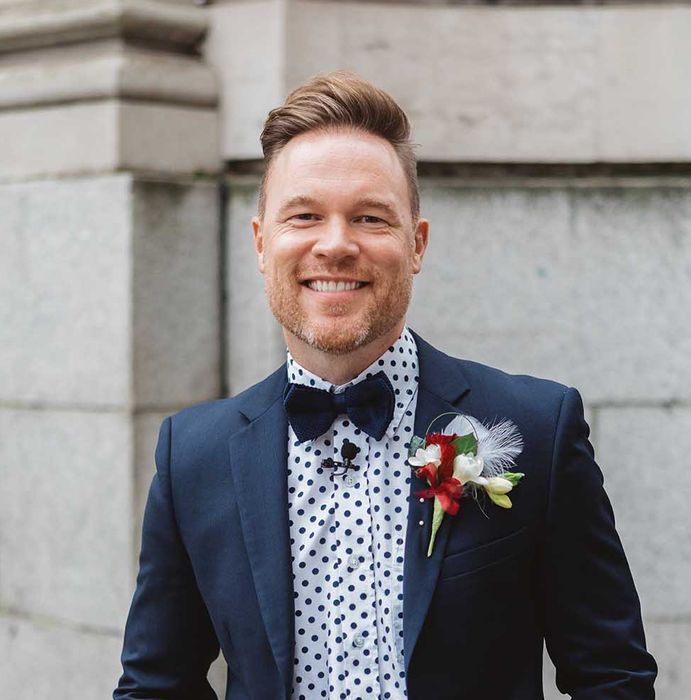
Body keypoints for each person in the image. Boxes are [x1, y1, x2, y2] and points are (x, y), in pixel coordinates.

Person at [115, 71, 657, 700]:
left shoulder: (536, 427)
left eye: (370, 217)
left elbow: (611, 677)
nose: (336, 245)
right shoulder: (193, 456)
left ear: (416, 242)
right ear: (263, 243)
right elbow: (156, 685)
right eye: (304, 216)